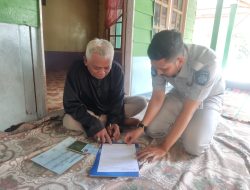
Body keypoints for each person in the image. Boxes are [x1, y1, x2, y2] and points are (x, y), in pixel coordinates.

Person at [124, 30, 225, 161]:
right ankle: (186, 126)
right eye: (155, 68)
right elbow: (157, 97)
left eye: (164, 69)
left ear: (180, 61)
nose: (159, 73)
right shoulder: (159, 63)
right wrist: (141, 128)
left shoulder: (207, 63)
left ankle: (206, 120)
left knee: (194, 146)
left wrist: (164, 147)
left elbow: (188, 110)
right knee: (152, 130)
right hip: (180, 92)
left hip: (209, 97)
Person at [63, 38, 147, 144]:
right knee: (68, 121)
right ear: (85, 61)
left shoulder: (117, 70)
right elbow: (70, 104)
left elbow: (117, 101)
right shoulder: (75, 70)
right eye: (97, 68)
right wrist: (94, 123)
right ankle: (119, 121)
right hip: (89, 110)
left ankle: (109, 121)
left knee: (142, 102)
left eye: (107, 68)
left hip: (110, 107)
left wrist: (113, 122)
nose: (102, 73)